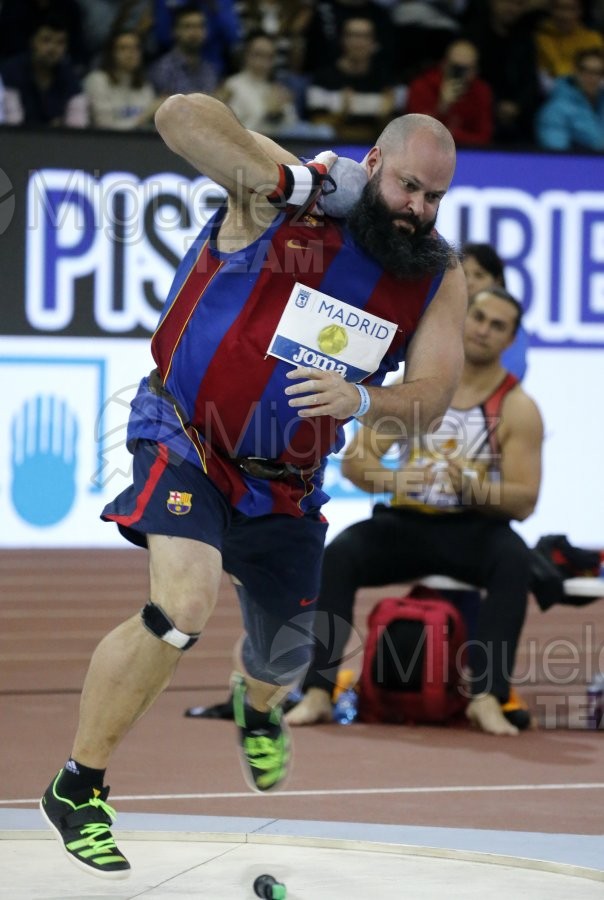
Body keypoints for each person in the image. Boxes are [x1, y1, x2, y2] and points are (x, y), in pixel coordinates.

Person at [39, 101, 467, 879]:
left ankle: (258, 711)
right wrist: (292, 179)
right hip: (187, 438)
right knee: (184, 607)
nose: (419, 211)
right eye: (409, 187)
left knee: (282, 659)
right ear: (372, 164)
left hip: (288, 487)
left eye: (436, 198)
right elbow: (181, 117)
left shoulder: (435, 274)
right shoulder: (281, 200)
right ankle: (80, 785)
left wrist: (365, 401)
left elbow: (434, 395)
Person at [286, 284, 544, 736]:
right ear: (463, 320)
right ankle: (317, 690)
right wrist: (397, 480)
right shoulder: (420, 388)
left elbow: (525, 501)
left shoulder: (518, 408)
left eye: (497, 326)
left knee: (514, 559)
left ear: (510, 340)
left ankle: (488, 696)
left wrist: (475, 487)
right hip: (405, 525)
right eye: (479, 318)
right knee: (342, 553)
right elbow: (356, 463)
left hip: (473, 530)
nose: (484, 331)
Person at [305, 16, 397, 142]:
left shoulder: (386, 80)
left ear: (374, 42)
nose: (359, 42)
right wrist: (341, 114)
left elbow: (397, 128)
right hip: (333, 147)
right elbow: (315, 124)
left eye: (365, 36)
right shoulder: (323, 78)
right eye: (353, 35)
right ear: (343, 39)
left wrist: (384, 117)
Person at [0, 15, 88, 127]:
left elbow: (77, 128)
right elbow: (12, 124)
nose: (53, 48)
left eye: (60, 42)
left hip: (58, 142)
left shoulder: (70, 76)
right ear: (32, 42)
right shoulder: (11, 72)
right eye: (46, 40)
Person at [406, 38, 494, 147]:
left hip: (468, 154)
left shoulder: (481, 91)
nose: (461, 74)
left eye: (466, 69)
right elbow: (416, 134)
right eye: (455, 67)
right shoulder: (422, 86)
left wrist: (449, 134)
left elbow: (484, 137)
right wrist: (442, 106)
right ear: (444, 64)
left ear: (476, 70)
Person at [462, 242, 529, 379]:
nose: (469, 282)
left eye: (479, 275)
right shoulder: (442, 319)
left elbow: (513, 371)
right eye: (463, 274)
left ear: (497, 282)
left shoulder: (509, 324)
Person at [84, 29, 162, 130]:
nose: (131, 53)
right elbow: (105, 127)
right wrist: (146, 115)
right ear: (111, 53)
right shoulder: (97, 80)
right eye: (123, 48)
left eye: (136, 48)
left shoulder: (144, 85)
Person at [535, 46, 604, 151]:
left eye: (598, 72)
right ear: (575, 71)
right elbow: (558, 157)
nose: (593, 78)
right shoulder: (555, 111)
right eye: (586, 71)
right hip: (580, 165)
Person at [149, 4, 219, 97]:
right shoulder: (163, 70)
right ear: (175, 31)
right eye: (188, 26)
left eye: (200, 26)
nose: (195, 32)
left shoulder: (209, 70)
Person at [536, 0, 603, 92]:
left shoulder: (593, 39)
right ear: (551, 9)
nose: (565, 15)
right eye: (560, 8)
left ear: (580, 11)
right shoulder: (539, 39)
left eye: (571, 9)